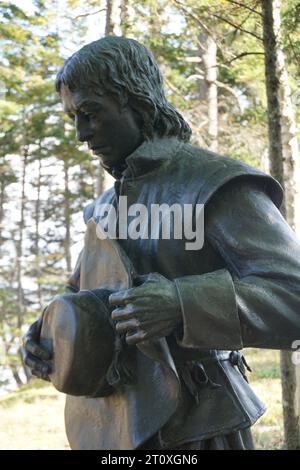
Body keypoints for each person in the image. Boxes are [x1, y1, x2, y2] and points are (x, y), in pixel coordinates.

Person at [23, 36, 300, 450]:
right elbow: (82, 293)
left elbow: (293, 296)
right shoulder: (102, 209)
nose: (80, 134)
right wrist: (48, 335)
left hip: (200, 428)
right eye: (73, 118)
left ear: (137, 102)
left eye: (90, 113)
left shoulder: (215, 185)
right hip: (112, 429)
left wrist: (179, 303)